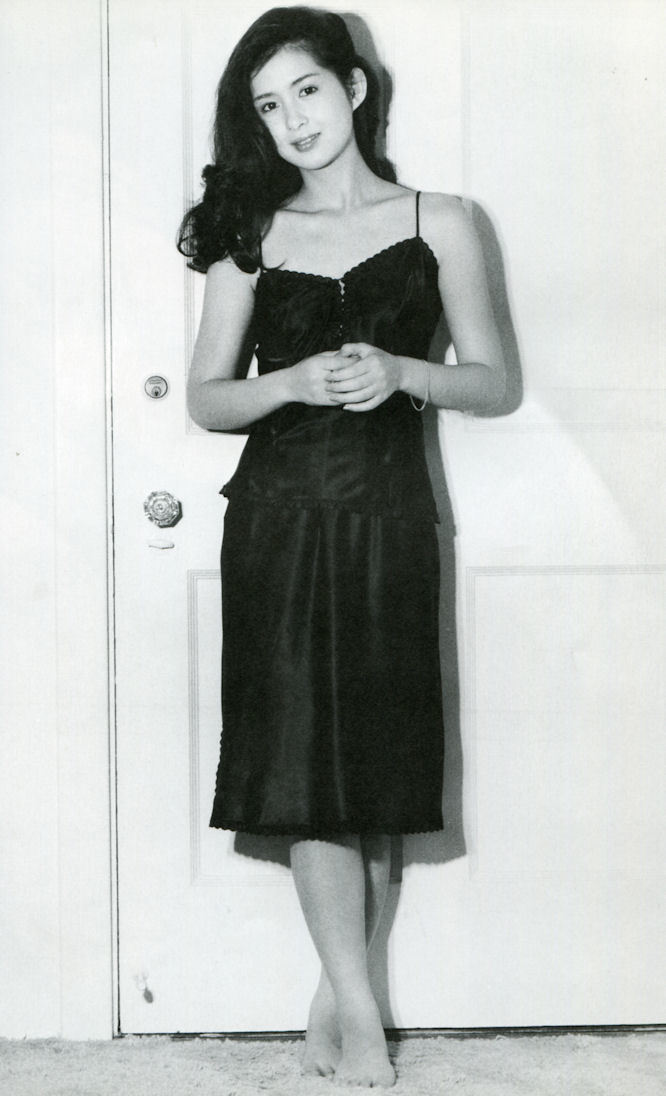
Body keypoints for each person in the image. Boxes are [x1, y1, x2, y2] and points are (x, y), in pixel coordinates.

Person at [178, 5, 505, 1087]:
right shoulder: (252, 233)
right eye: (268, 107)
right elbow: (207, 399)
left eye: (307, 91)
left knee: (380, 770)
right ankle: (363, 1011)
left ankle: (337, 994)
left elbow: (493, 380)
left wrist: (406, 373)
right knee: (308, 773)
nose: (293, 120)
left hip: (393, 519)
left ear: (354, 88)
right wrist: (291, 382)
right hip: (278, 522)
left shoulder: (443, 219)